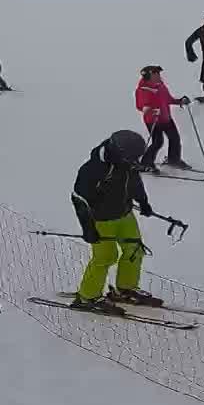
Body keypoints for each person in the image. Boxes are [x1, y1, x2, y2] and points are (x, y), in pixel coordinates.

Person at [70, 130, 162, 312]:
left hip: (125, 214)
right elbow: (79, 198)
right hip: (101, 220)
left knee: (134, 250)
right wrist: (88, 228)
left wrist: (142, 201)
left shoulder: (126, 163)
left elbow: (134, 182)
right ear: (119, 153)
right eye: (132, 158)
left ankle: (125, 289)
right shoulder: (93, 169)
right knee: (105, 257)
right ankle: (87, 297)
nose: (135, 162)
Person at [134, 66, 189, 173]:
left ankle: (174, 159)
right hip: (153, 121)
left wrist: (180, 101)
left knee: (175, 138)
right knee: (158, 142)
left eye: (159, 74)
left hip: (166, 117)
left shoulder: (161, 86)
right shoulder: (142, 90)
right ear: (148, 76)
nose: (159, 76)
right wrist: (151, 110)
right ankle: (146, 163)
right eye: (156, 74)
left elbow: (168, 99)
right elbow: (140, 106)